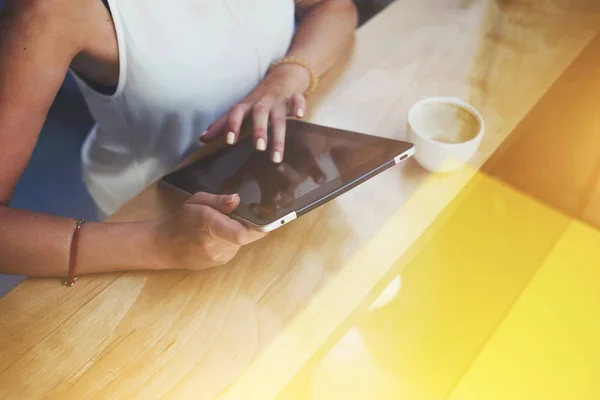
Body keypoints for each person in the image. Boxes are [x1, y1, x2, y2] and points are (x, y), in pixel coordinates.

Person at [0, 0, 358, 279]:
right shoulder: (54, 11)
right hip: (156, 219)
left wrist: (288, 75)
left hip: (281, 181)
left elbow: (335, 8)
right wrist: (158, 244)